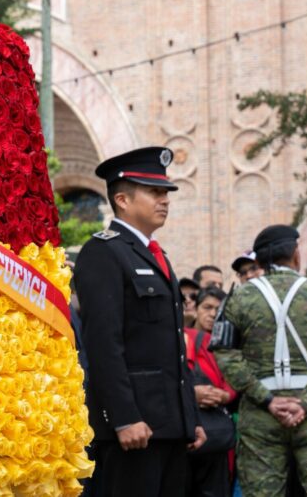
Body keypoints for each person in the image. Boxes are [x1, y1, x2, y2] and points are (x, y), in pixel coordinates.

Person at [74, 146, 205, 496]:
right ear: (123, 200)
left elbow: (173, 347)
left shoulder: (155, 255)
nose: (164, 200)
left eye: (166, 193)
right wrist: (123, 417)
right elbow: (104, 345)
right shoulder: (104, 252)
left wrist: (188, 417)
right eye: (154, 192)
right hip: (135, 428)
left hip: (169, 425)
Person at [217, 225, 307, 497]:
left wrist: (267, 399)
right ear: (296, 255)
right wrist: (306, 402)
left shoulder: (237, 299)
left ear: (259, 261)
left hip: (260, 414)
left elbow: (225, 354)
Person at [186, 287, 237, 497]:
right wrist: (191, 394)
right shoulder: (182, 337)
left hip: (218, 439)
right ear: (195, 309)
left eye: (218, 309)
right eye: (207, 307)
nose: (213, 314)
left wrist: (225, 395)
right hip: (188, 433)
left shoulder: (229, 345)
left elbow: (235, 380)